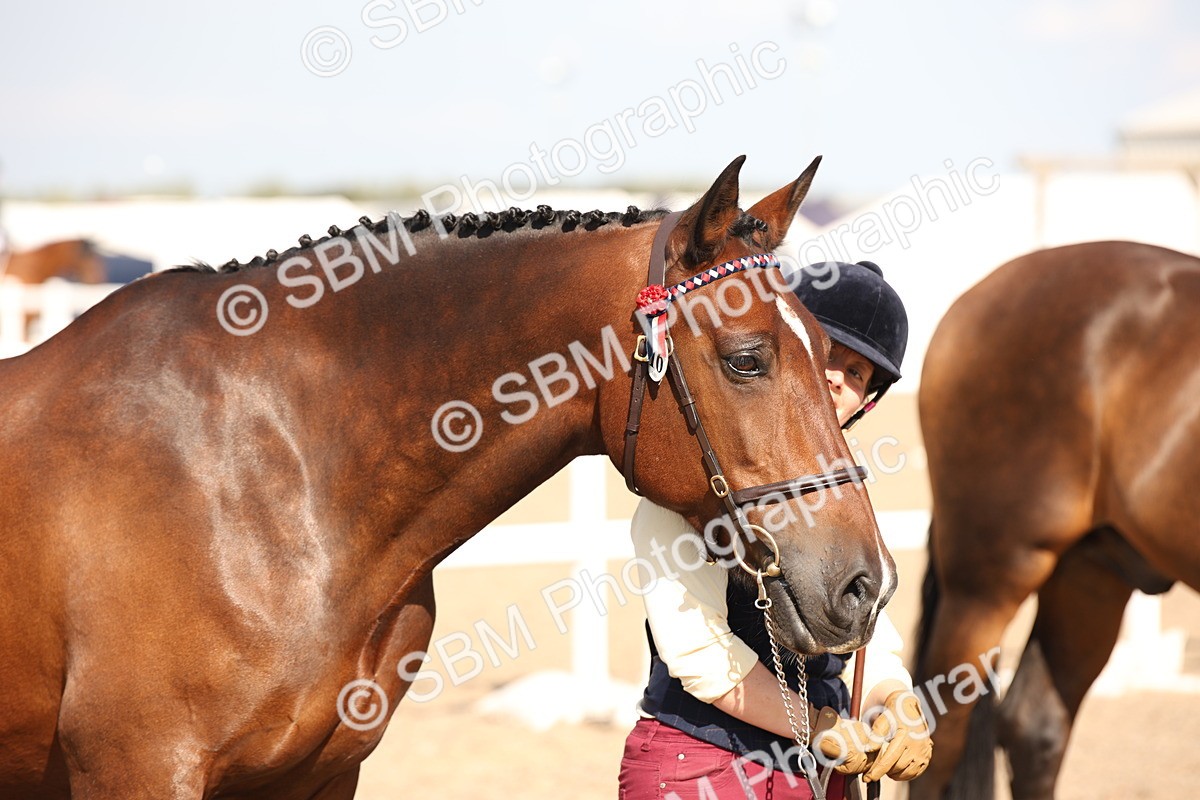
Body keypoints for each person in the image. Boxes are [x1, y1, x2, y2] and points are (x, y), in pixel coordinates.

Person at [618, 261, 930, 799]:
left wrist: (894, 700)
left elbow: (866, 630)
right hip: (704, 764)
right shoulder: (697, 475)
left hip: (819, 771)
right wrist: (820, 727)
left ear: (868, 399)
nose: (837, 378)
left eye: (857, 373)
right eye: (829, 355)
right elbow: (698, 654)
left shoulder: (846, 493)